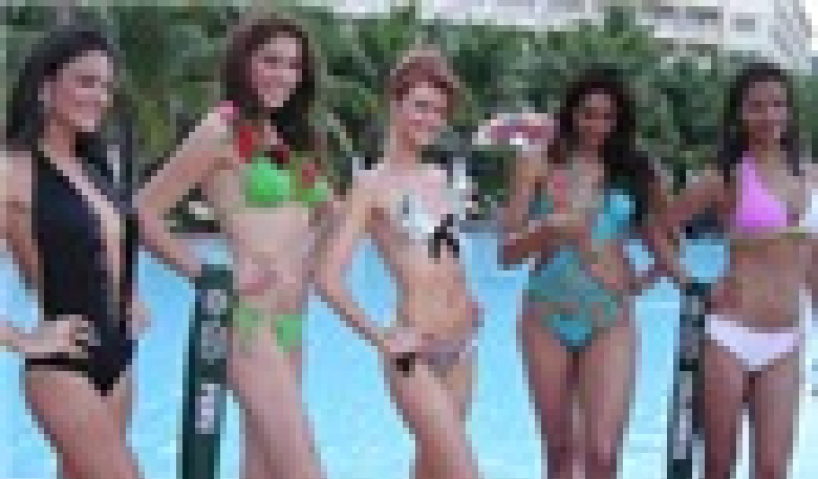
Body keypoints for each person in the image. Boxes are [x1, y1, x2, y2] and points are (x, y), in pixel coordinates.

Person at [135, 13, 331, 479]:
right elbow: (141, 213)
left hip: (290, 322)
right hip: (248, 321)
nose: (283, 75)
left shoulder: (284, 137)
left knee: (264, 469)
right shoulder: (220, 129)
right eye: (271, 61)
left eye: (293, 65)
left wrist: (311, 263)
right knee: (303, 466)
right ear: (244, 63)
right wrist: (209, 275)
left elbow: (329, 215)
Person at [497, 67, 679, 479]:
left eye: (607, 116)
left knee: (602, 454)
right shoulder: (538, 164)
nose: (597, 126)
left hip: (609, 317)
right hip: (546, 315)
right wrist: (547, 229)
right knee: (560, 452)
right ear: (571, 113)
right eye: (588, 114)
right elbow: (505, 254)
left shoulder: (635, 171)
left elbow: (672, 240)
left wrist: (640, 282)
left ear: (620, 120)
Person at [316, 47, 482, 479]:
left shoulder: (441, 177)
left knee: (434, 470)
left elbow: (444, 255)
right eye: (421, 106)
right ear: (395, 104)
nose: (431, 119)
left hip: (464, 347)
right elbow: (327, 278)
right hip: (415, 354)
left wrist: (467, 298)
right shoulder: (370, 187)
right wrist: (381, 337)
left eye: (439, 111)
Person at [1, 24, 148, 479]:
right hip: (63, 367)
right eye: (86, 82)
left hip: (119, 362)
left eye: (105, 86)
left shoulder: (95, 170)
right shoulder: (12, 171)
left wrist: (129, 296)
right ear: (46, 87)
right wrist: (23, 339)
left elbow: (107, 247)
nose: (99, 97)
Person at [657, 62, 816, 479]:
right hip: (730, 335)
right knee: (718, 466)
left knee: (772, 469)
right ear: (740, 113)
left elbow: (813, 262)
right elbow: (658, 227)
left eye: (778, 104)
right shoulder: (724, 178)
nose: (769, 115)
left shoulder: (811, 176)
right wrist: (690, 284)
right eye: (756, 106)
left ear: (790, 110)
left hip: (786, 339)